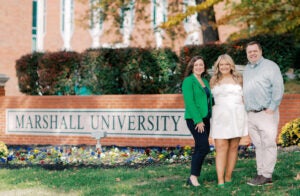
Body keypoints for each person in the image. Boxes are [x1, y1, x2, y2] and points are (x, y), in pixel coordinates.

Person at [243, 41, 284, 186]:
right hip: (251, 114)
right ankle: (261, 172)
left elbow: (278, 88)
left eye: (255, 51)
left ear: (260, 51)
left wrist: (272, 108)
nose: (252, 54)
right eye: (249, 52)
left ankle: (267, 174)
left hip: (266, 112)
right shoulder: (247, 69)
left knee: (268, 144)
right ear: (247, 54)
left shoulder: (270, 66)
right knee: (258, 145)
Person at [210, 54, 248, 187]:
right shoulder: (213, 80)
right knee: (220, 147)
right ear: (218, 66)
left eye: (227, 64)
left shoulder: (239, 79)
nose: (224, 67)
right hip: (220, 117)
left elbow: (245, 97)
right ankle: (220, 180)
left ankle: (228, 176)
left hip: (237, 115)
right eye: (221, 65)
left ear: (231, 65)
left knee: (233, 147)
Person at [182, 56, 212, 187]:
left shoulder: (205, 80)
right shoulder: (188, 81)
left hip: (206, 118)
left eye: (201, 65)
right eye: (196, 65)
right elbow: (189, 102)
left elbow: (209, 99)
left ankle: (192, 177)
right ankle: (193, 177)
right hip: (195, 119)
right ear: (192, 67)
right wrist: (198, 120)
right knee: (203, 147)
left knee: (201, 147)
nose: (199, 67)